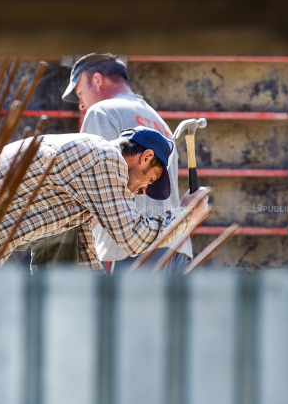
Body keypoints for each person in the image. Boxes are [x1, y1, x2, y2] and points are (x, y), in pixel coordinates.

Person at [0, 127, 210, 271]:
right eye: (150, 180)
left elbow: (75, 264)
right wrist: (183, 217)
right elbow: (131, 238)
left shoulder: (79, 182)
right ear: (144, 157)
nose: (143, 191)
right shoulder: (105, 159)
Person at [62, 53, 193, 271]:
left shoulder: (102, 113)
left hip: (127, 252)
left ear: (97, 80)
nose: (81, 105)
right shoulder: (160, 124)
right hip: (175, 249)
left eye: (79, 93)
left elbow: (94, 191)